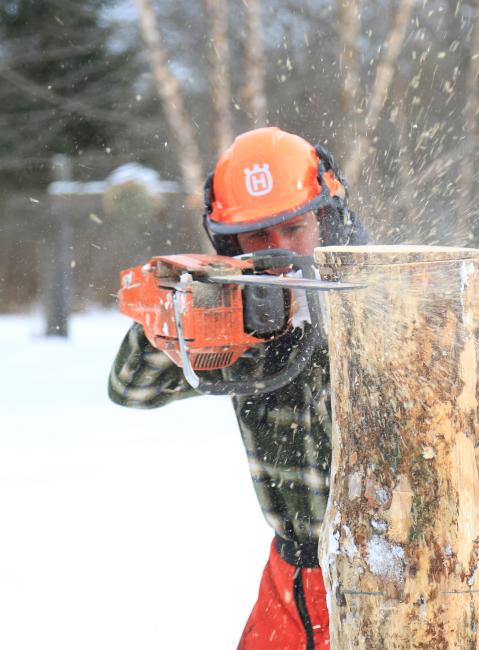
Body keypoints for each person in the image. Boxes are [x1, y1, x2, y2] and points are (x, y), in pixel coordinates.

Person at [108, 126, 368, 649]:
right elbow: (129, 389)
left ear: (328, 219)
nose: (279, 253)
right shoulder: (238, 318)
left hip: (382, 576)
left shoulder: (380, 303)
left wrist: (327, 317)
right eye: (257, 238)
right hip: (292, 571)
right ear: (229, 243)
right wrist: (169, 329)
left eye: (295, 229)